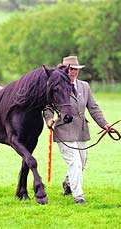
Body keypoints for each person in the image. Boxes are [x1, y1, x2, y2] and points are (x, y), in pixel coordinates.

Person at [43, 56, 111, 204]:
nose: (74, 72)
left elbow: (93, 107)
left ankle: (68, 182)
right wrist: (49, 120)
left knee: (82, 161)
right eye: (71, 69)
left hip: (81, 130)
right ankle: (78, 197)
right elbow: (47, 107)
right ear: (65, 70)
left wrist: (104, 124)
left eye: (76, 69)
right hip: (63, 130)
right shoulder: (56, 85)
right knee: (75, 163)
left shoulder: (84, 86)